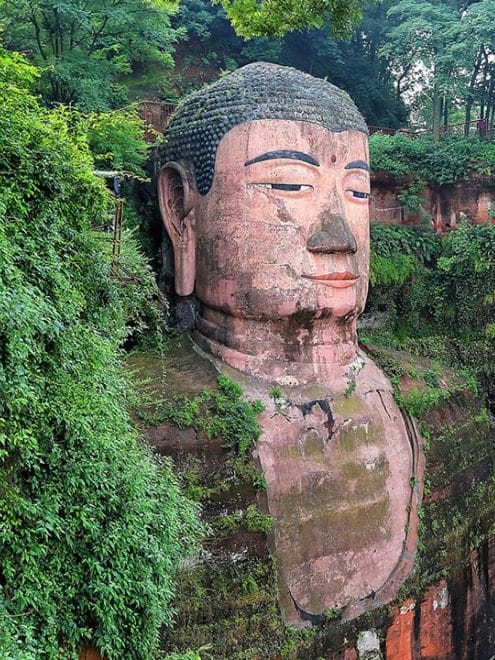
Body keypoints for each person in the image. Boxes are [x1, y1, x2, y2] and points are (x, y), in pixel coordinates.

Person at [154, 62, 420, 625]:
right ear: (181, 210)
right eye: (288, 186)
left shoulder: (434, 402)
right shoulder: (152, 444)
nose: (337, 236)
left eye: (357, 191)